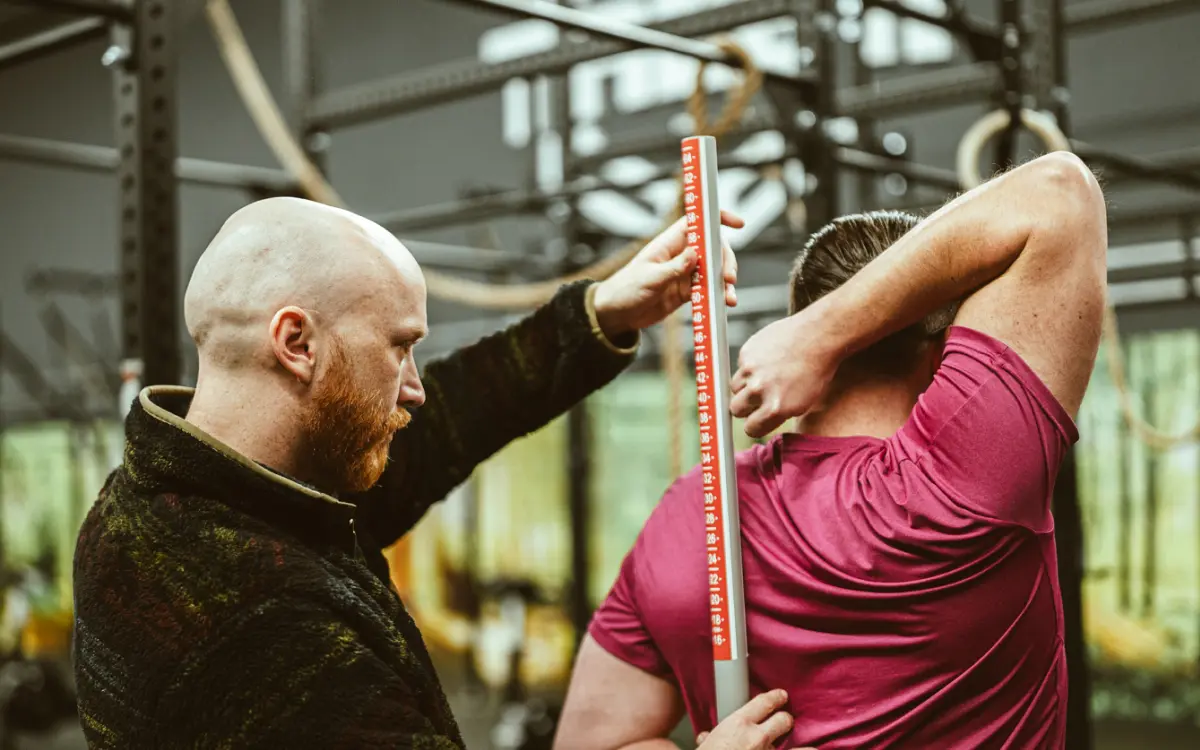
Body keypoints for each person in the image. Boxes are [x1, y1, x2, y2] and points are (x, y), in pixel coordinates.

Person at [70, 196, 744, 749]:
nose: (415, 387)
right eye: (400, 347)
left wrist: (602, 313)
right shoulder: (263, 622)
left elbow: (448, 423)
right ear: (296, 343)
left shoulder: (170, 493)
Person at [554, 151, 1107, 750]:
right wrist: (824, 335)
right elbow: (1058, 192)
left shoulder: (693, 511)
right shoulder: (965, 481)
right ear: (949, 349)